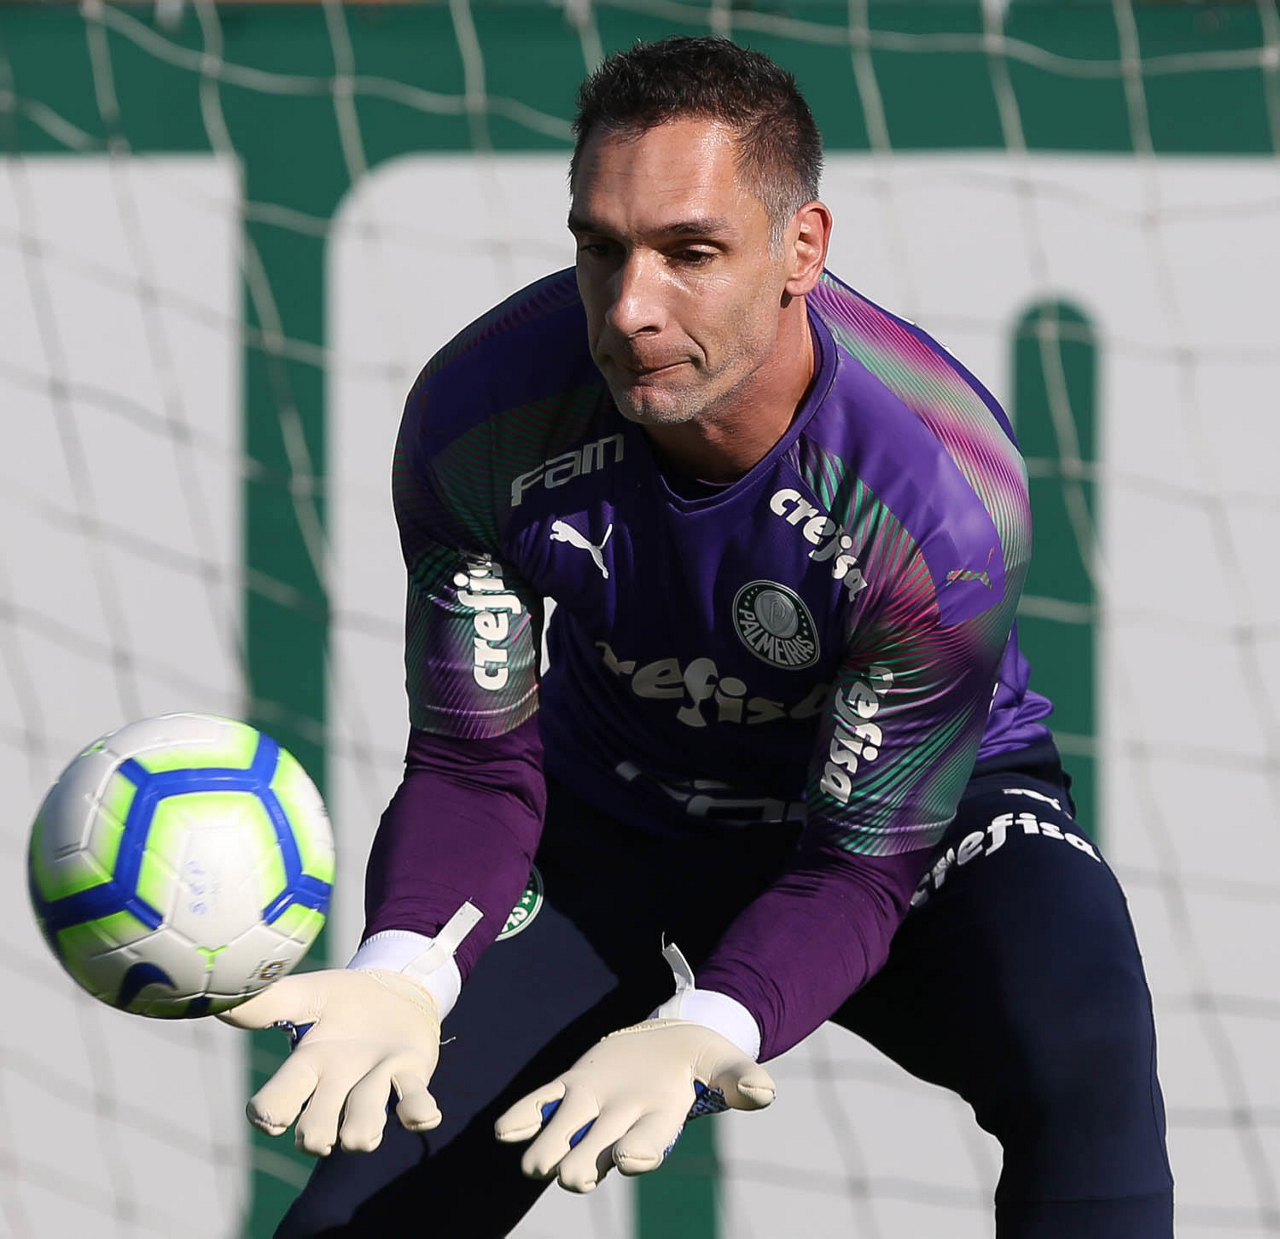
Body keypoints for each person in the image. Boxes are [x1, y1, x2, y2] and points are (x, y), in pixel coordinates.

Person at [222, 36, 1174, 1238]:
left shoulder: (939, 492)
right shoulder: (480, 418)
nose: (630, 309)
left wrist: (706, 1026)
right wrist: (404, 964)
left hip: (916, 822)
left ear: (800, 249)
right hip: (610, 817)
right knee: (357, 1214)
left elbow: (857, 862)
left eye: (689, 253)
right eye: (600, 248)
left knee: (1084, 1053)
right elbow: (473, 762)